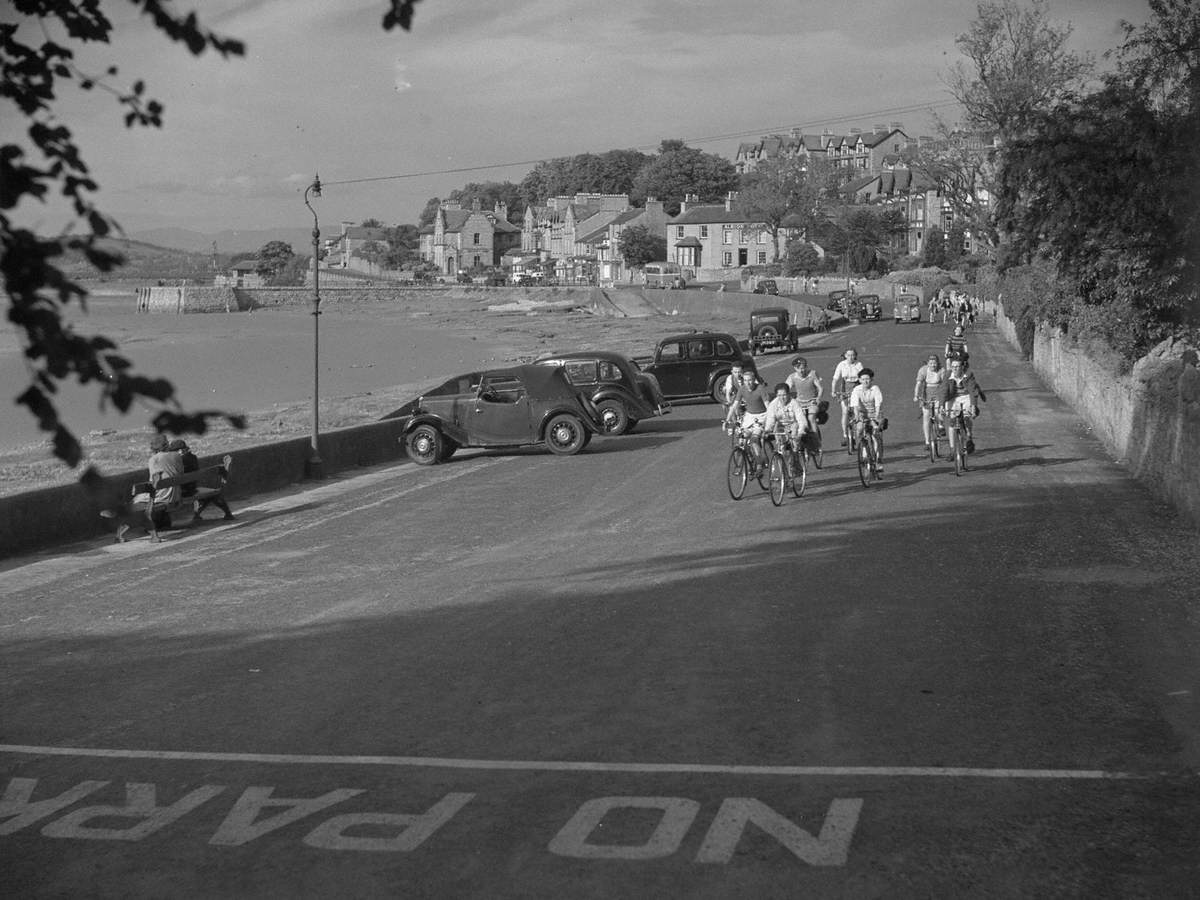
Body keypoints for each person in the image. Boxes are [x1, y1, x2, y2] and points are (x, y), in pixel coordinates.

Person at [169, 438, 234, 521]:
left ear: (180, 451)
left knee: (210, 495)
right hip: (192, 489)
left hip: (183, 492)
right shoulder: (193, 458)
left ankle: (197, 514)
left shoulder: (179, 461)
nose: (171, 454)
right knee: (211, 495)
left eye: (173, 451)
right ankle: (226, 513)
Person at [942, 358, 987, 454]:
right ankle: (952, 449)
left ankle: (969, 436)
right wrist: (942, 405)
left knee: (967, 416)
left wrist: (973, 406)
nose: (954, 369)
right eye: (953, 366)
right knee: (952, 422)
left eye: (957, 366)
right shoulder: (948, 375)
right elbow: (944, 391)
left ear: (962, 367)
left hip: (966, 396)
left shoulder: (969, 375)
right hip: (953, 398)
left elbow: (972, 391)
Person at [728, 369, 772, 466]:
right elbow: (734, 405)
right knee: (742, 438)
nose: (748, 383)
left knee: (754, 440)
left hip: (761, 416)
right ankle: (750, 457)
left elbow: (768, 406)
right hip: (749, 416)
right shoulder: (742, 389)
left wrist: (770, 420)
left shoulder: (760, 389)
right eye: (746, 380)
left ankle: (760, 464)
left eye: (750, 380)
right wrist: (727, 419)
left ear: (754, 380)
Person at [849, 368, 886, 473]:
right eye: (863, 379)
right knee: (859, 429)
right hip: (862, 414)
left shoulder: (875, 389)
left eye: (867, 379)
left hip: (875, 413)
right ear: (859, 380)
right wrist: (857, 416)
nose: (865, 381)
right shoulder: (856, 390)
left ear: (871, 380)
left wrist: (876, 416)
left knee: (876, 435)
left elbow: (878, 404)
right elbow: (855, 405)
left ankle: (879, 460)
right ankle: (863, 449)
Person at [786, 356, 824, 446]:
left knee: (811, 418)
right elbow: (786, 388)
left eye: (803, 368)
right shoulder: (792, 377)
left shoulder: (813, 374)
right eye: (798, 368)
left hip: (812, 401)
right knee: (798, 421)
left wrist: (818, 398)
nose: (801, 370)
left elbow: (820, 388)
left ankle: (816, 441)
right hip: (799, 403)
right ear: (795, 368)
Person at [913, 353, 946, 450]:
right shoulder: (923, 370)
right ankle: (927, 442)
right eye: (931, 363)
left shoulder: (941, 371)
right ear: (928, 363)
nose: (933, 365)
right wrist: (916, 395)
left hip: (938, 394)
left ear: (938, 363)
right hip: (926, 395)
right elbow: (918, 384)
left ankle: (940, 425)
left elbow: (944, 385)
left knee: (938, 412)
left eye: (934, 363)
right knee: (926, 417)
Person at [830, 348, 864, 446]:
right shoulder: (841, 364)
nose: (850, 357)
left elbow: (863, 377)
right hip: (845, 388)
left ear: (855, 356)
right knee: (845, 412)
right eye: (848, 355)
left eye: (852, 355)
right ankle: (846, 435)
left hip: (856, 387)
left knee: (856, 410)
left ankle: (859, 433)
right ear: (845, 355)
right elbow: (835, 379)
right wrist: (833, 390)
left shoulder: (858, 364)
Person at [765, 382, 808, 452]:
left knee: (794, 439)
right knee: (780, 441)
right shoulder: (773, 405)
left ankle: (796, 450)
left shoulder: (794, 403)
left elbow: (801, 418)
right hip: (780, 425)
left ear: (788, 394)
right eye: (779, 395)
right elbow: (770, 419)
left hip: (793, 424)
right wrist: (767, 430)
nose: (782, 398)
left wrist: (800, 432)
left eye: (784, 395)